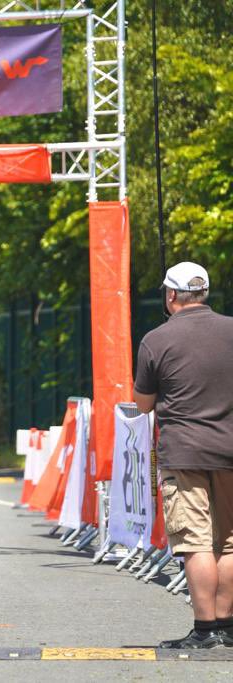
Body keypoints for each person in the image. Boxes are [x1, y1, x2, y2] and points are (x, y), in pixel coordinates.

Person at [133, 261, 233, 649]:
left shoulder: (156, 340)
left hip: (185, 452)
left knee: (195, 542)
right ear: (204, 292)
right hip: (229, 449)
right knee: (228, 543)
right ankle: (227, 626)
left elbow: (143, 405)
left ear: (171, 295)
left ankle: (205, 629)